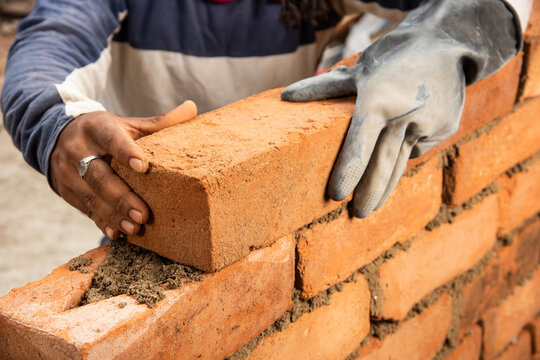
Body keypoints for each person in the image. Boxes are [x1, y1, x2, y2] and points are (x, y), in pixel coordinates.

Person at [1, 0, 532, 240]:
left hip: (282, 215)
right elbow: (48, 48)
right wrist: (57, 124)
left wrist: (452, 33)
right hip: (156, 222)